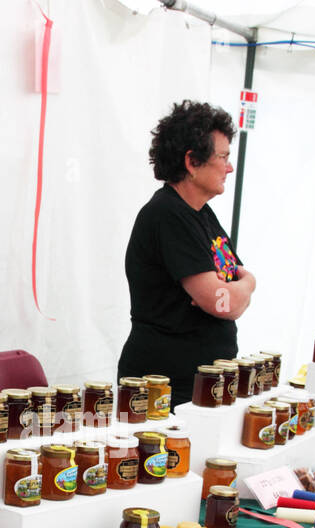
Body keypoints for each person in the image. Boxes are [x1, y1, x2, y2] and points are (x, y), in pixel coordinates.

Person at [119, 101, 256, 406]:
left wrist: (242, 286)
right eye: (223, 157)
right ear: (192, 162)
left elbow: (231, 287)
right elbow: (223, 302)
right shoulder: (167, 215)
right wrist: (239, 288)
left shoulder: (202, 215)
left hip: (199, 386)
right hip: (165, 390)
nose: (230, 167)